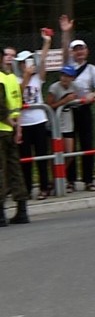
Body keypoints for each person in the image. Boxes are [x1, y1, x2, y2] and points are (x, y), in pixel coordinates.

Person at [60, 14, 95, 192]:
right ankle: (70, 180)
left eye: (82, 49)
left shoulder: (92, 69)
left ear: (86, 51)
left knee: (87, 145)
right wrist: (66, 32)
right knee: (70, 147)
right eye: (76, 49)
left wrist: (92, 95)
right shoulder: (68, 66)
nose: (79, 52)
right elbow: (64, 51)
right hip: (68, 111)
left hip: (85, 109)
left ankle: (89, 180)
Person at [16, 29, 51, 200]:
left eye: (27, 62)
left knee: (42, 157)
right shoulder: (16, 79)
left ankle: (45, 187)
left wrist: (46, 41)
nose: (25, 65)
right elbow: (19, 93)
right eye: (22, 62)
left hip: (39, 121)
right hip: (24, 123)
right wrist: (26, 77)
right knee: (25, 159)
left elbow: (43, 60)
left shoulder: (38, 77)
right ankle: (28, 188)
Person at [1, 47, 28, 224]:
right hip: (11, 129)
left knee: (1, 170)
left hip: (3, 128)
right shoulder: (11, 78)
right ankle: (22, 209)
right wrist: (17, 126)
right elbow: (18, 104)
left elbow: (1, 107)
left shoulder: (3, 78)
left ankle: (0, 213)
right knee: (15, 170)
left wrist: (11, 123)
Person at [47, 65, 79, 193]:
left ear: (72, 78)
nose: (64, 78)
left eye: (67, 76)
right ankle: (55, 180)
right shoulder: (54, 88)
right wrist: (65, 101)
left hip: (68, 123)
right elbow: (49, 106)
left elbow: (80, 99)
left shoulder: (74, 87)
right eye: (63, 75)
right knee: (55, 155)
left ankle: (60, 177)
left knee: (69, 153)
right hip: (55, 124)